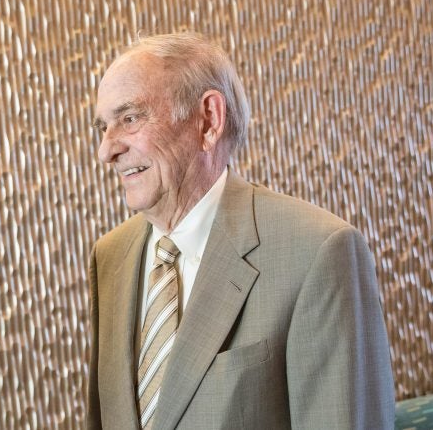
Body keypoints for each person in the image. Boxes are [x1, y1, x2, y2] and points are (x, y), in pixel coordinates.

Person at [87, 32, 395, 429]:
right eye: (103, 127)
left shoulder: (318, 251)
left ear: (209, 120)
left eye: (129, 119)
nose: (106, 150)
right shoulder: (110, 256)